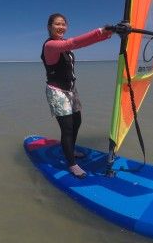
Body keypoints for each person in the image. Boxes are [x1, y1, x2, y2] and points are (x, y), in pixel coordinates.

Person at [41, 13, 112, 178]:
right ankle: (72, 164)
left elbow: (83, 42)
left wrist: (109, 33)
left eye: (63, 24)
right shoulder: (50, 45)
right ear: (49, 27)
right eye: (57, 24)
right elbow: (75, 42)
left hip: (71, 90)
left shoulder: (63, 45)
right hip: (57, 92)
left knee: (77, 121)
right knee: (67, 128)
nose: (61, 27)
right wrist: (101, 30)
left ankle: (70, 149)